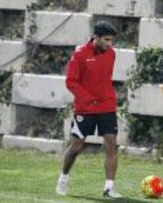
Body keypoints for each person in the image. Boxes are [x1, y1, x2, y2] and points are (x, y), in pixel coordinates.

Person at [55, 21, 122, 198]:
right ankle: (63, 178)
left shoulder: (111, 54)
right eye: (106, 40)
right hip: (85, 109)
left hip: (107, 106)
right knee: (76, 146)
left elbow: (104, 80)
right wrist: (89, 99)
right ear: (96, 37)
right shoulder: (79, 54)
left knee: (111, 144)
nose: (110, 44)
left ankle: (109, 188)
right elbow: (71, 82)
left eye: (111, 40)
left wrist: (106, 99)